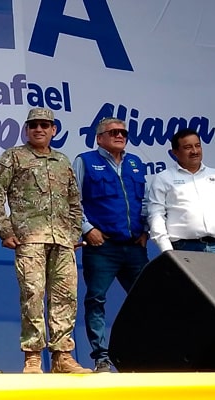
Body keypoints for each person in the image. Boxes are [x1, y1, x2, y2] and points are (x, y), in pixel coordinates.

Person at [0, 107, 91, 374]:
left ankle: (62, 356)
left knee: (65, 297)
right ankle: (32, 357)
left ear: (54, 130)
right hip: (30, 239)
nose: (39, 129)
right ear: (27, 129)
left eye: (45, 125)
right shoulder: (13, 157)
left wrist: (73, 234)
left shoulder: (62, 161)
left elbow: (74, 202)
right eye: (34, 125)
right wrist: (5, 231)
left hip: (62, 241)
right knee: (32, 295)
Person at [72, 117, 149, 373]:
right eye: (113, 132)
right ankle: (101, 357)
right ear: (99, 138)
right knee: (96, 300)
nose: (119, 136)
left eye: (123, 133)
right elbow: (72, 200)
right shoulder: (85, 161)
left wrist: (145, 230)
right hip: (102, 247)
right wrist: (87, 229)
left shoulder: (135, 163)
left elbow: (144, 201)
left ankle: (143, 354)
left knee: (147, 300)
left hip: (134, 247)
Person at [148, 128, 215, 253]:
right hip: (183, 248)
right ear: (175, 152)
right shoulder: (164, 178)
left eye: (197, 146)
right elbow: (156, 215)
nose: (194, 151)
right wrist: (166, 249)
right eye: (188, 147)